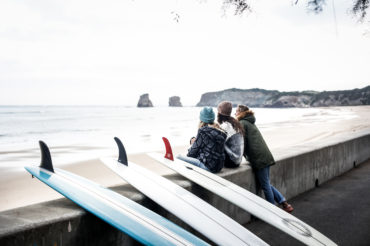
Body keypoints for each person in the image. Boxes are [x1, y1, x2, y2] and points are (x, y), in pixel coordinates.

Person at [235, 104, 294, 213]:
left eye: (236, 111)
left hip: (259, 158)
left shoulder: (243, 123)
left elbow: (242, 143)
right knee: (266, 183)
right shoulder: (250, 122)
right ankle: (284, 203)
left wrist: (237, 157)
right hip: (264, 155)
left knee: (265, 185)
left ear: (241, 113)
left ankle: (273, 211)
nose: (235, 113)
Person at [177, 107, 227, 173]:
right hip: (218, 167)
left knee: (178, 157)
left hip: (207, 167)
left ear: (202, 119)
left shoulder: (203, 131)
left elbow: (192, 152)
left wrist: (190, 153)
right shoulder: (221, 131)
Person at [216, 101, 244, 168]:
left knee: (218, 142)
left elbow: (217, 144)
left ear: (220, 112)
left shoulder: (226, 125)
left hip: (232, 161)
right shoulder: (234, 123)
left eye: (218, 111)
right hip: (238, 159)